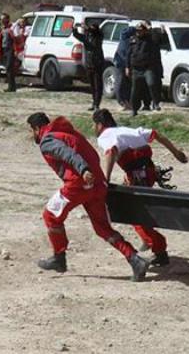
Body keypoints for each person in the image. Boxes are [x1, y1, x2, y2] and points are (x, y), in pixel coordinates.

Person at [27, 112, 149, 281]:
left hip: (78, 184)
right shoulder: (70, 133)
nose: (32, 135)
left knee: (50, 216)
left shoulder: (47, 139)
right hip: (97, 184)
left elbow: (66, 153)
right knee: (102, 227)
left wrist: (83, 170)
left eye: (31, 131)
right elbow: (91, 153)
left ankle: (59, 257)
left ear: (37, 128)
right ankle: (135, 260)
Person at [92, 109, 189, 266]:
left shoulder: (106, 135)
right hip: (149, 172)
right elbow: (156, 134)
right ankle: (148, 240)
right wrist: (176, 153)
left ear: (100, 125)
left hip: (137, 175)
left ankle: (159, 249)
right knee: (136, 209)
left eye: (94, 125)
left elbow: (111, 152)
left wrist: (106, 180)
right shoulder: (126, 131)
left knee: (134, 215)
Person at [125, 21, 162, 116]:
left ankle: (156, 103)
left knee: (152, 83)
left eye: (141, 30)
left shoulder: (150, 39)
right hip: (136, 69)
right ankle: (134, 110)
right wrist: (127, 67)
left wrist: (150, 28)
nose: (138, 32)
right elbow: (128, 55)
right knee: (135, 90)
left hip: (147, 68)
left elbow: (158, 37)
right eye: (137, 30)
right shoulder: (133, 40)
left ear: (145, 31)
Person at [72, 23, 105, 111]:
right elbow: (77, 35)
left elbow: (97, 32)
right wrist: (75, 28)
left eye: (92, 28)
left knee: (98, 85)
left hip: (97, 64)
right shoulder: (87, 36)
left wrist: (88, 27)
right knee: (92, 86)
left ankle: (97, 104)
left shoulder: (98, 36)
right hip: (89, 64)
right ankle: (94, 103)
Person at [113, 25, 133, 111]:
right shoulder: (126, 42)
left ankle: (126, 103)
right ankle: (123, 103)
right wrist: (127, 66)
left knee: (126, 85)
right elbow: (125, 55)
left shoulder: (124, 40)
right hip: (122, 65)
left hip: (123, 65)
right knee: (120, 85)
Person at [0, 14, 17, 92]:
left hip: (10, 50)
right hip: (4, 50)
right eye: (1, 19)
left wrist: (15, 50)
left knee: (9, 67)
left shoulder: (12, 28)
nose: (2, 21)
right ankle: (12, 86)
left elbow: (14, 40)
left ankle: (11, 86)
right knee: (8, 69)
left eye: (3, 19)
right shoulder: (2, 29)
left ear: (7, 19)